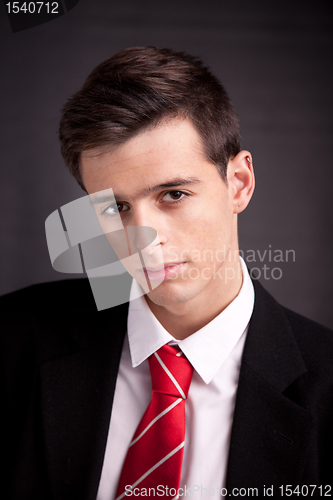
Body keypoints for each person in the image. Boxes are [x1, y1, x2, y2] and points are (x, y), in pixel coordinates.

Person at [2, 47, 332, 500]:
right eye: (115, 207)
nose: (142, 237)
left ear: (239, 183)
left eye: (173, 194)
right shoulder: (13, 338)